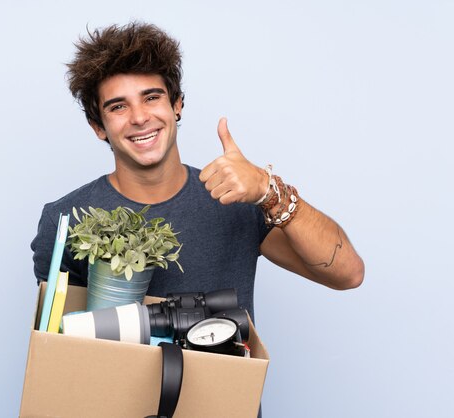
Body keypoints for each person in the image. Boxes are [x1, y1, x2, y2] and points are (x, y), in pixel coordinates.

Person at [31, 22, 364, 323]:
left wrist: (268, 191)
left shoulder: (235, 199)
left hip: (226, 391)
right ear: (98, 126)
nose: (139, 117)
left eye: (152, 97)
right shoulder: (64, 221)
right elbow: (64, 351)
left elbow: (347, 274)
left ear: (176, 105)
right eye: (118, 106)